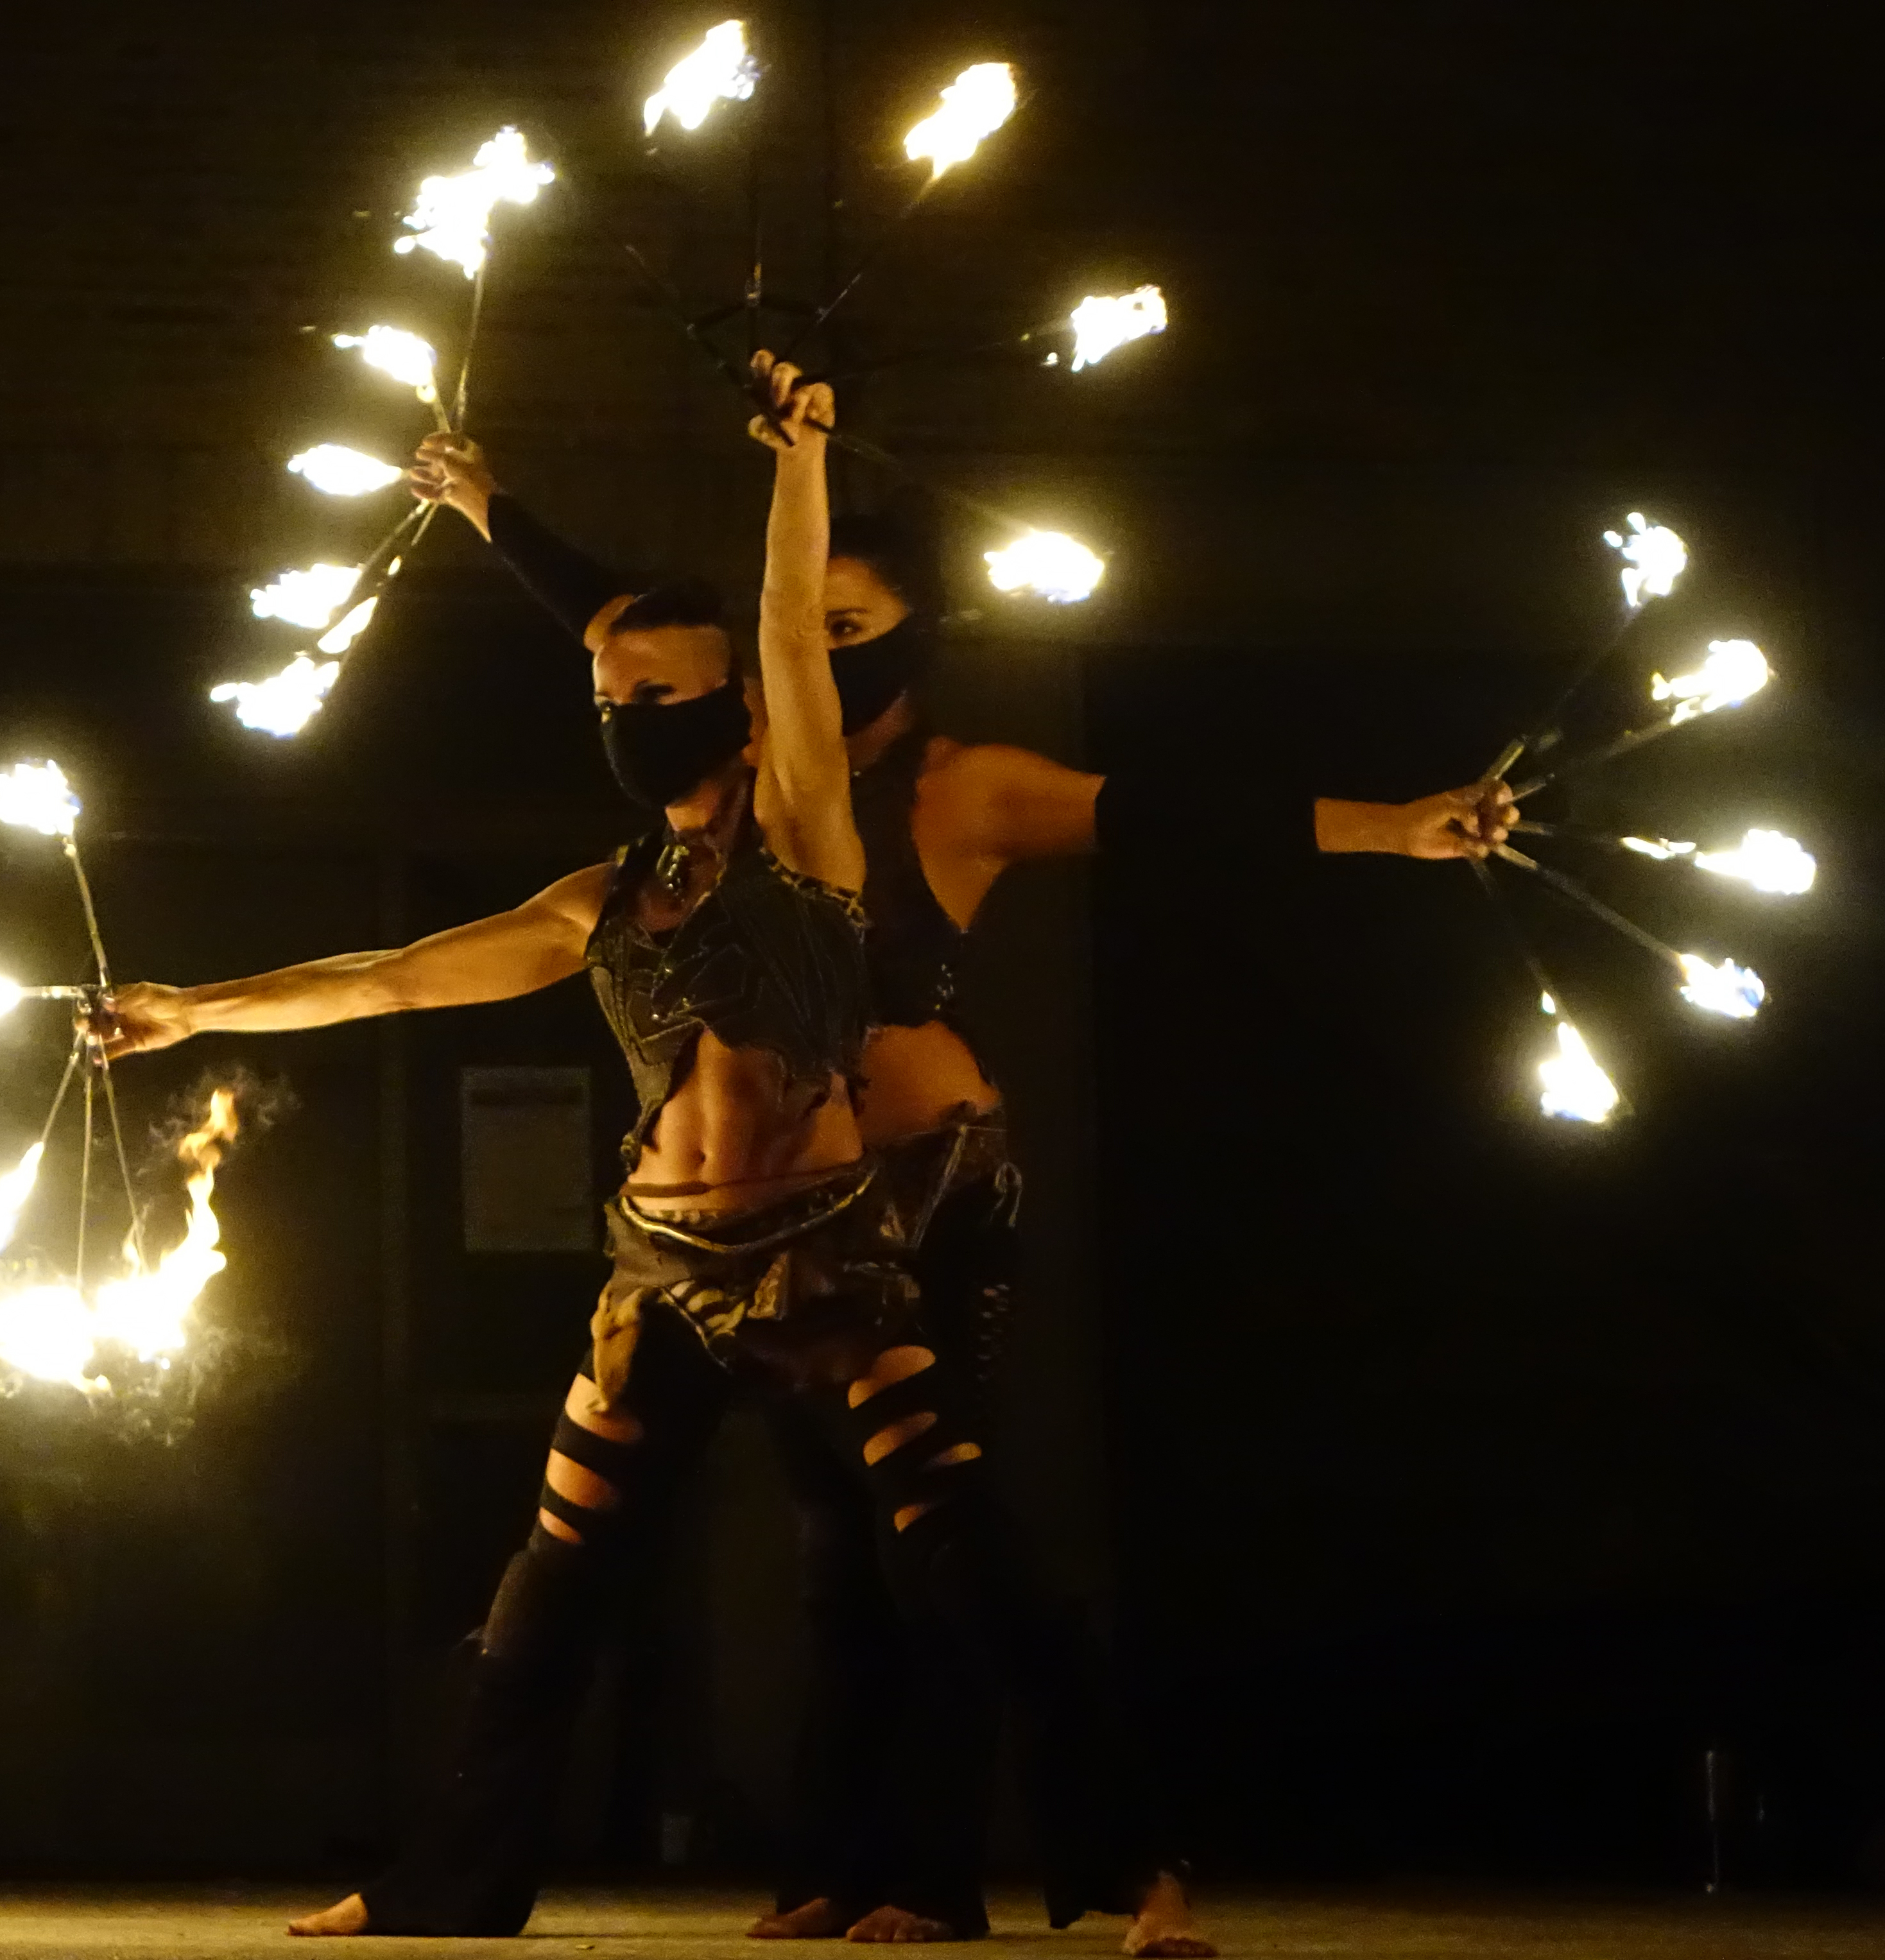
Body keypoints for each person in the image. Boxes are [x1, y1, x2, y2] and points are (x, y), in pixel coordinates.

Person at [101, 361, 1219, 1952]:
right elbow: (393, 977)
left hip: (825, 1258)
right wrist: (190, 1010)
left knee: (963, 1562)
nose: (629, 720)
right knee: (548, 1584)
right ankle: (445, 1887)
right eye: (608, 704)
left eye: (660, 696)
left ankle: (1135, 1873)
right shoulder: (608, 895)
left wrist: (795, 463)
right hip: (658, 1274)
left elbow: (786, 634)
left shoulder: (813, 833)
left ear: (747, 705)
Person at [406, 431, 1516, 1941]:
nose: (807, 647)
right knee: (829, 1552)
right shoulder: (743, 785)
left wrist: (1394, 825)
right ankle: (841, 1867)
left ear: (907, 641)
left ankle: (943, 1875)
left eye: (843, 627)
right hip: (779, 1217)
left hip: (934, 1196)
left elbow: (1174, 816)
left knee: (931, 1534)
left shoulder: (952, 788)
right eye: (800, 627)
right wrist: (484, 504)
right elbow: (622, 627)